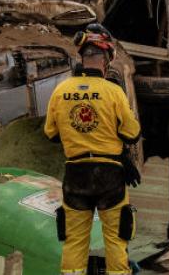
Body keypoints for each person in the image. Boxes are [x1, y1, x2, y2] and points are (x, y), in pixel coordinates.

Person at [44, 23, 141, 275]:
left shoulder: (61, 90)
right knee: (116, 241)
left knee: (74, 243)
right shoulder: (113, 92)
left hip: (76, 175)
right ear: (107, 57)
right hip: (110, 175)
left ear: (82, 56)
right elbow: (132, 133)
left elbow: (51, 134)